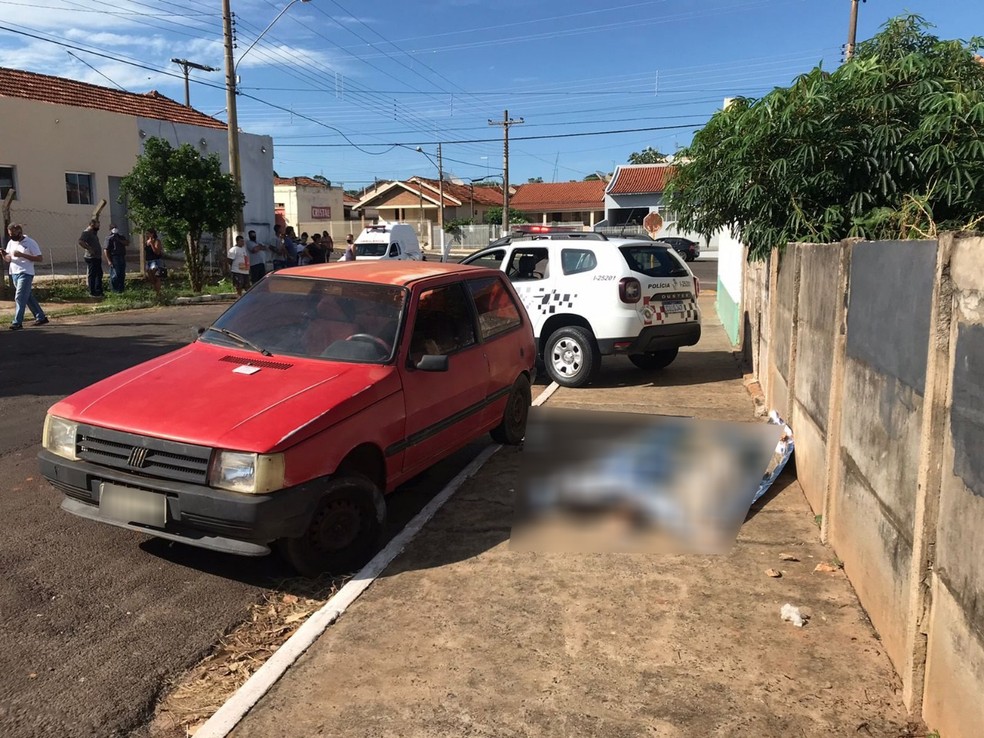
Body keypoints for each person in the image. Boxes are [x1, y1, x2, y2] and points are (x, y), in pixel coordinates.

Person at [3, 223, 49, 330]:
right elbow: (8, 259)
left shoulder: (30, 242)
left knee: (19, 296)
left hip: (26, 273)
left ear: (19, 232)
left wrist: (22, 255)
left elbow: (39, 258)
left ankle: (17, 322)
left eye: (13, 234)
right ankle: (41, 316)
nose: (11, 236)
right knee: (27, 296)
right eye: (10, 234)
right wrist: (3, 254)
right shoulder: (11, 243)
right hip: (14, 273)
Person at [78, 218, 104, 297]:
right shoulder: (87, 232)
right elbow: (80, 241)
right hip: (91, 257)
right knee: (93, 274)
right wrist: (89, 248)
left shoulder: (93, 232)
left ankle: (98, 290)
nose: (98, 227)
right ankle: (92, 292)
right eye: (97, 225)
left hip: (96, 257)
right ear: (92, 225)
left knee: (99, 273)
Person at [104, 224, 128, 294]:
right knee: (115, 275)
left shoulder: (121, 237)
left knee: (122, 274)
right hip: (114, 257)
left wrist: (119, 240)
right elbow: (106, 250)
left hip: (122, 256)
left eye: (116, 228)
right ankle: (115, 290)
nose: (115, 229)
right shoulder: (109, 238)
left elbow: (127, 243)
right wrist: (109, 260)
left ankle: (121, 290)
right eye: (113, 228)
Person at [144, 228, 164, 300]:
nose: (147, 235)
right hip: (148, 261)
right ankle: (155, 291)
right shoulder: (146, 242)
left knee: (156, 277)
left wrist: (152, 244)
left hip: (155, 260)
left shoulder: (156, 241)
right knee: (151, 277)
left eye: (148, 233)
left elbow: (157, 252)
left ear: (152, 234)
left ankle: (158, 293)